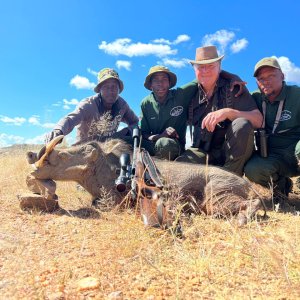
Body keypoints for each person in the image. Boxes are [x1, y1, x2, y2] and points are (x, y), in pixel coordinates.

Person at [176, 46, 263, 176]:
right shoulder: (190, 93)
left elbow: (259, 120)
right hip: (203, 152)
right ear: (195, 70)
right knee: (179, 168)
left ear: (219, 67)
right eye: (200, 67)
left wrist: (228, 112)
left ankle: (229, 181)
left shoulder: (234, 88)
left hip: (229, 154)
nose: (205, 71)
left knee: (241, 125)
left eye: (211, 66)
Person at [139, 64, 245, 160]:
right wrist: (160, 136)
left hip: (173, 145)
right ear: (150, 85)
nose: (160, 83)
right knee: (127, 141)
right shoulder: (145, 103)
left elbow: (205, 74)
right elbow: (144, 134)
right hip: (153, 143)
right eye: (156, 80)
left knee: (165, 143)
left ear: (169, 83)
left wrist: (232, 76)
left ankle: (164, 173)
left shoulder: (181, 95)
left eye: (164, 79)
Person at [244, 57, 300, 196]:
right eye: (261, 78)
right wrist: (233, 80)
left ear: (282, 75)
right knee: (253, 169)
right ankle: (282, 188)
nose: (266, 81)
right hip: (273, 156)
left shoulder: (297, 95)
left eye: (271, 75)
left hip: (296, 151)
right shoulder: (254, 98)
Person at [45, 68, 138, 144]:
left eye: (114, 87)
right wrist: (58, 131)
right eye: (106, 87)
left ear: (119, 90)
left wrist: (127, 131)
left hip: (108, 150)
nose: (111, 91)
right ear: (100, 90)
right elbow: (71, 119)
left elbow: (135, 122)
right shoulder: (88, 105)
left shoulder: (122, 106)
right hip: (84, 149)